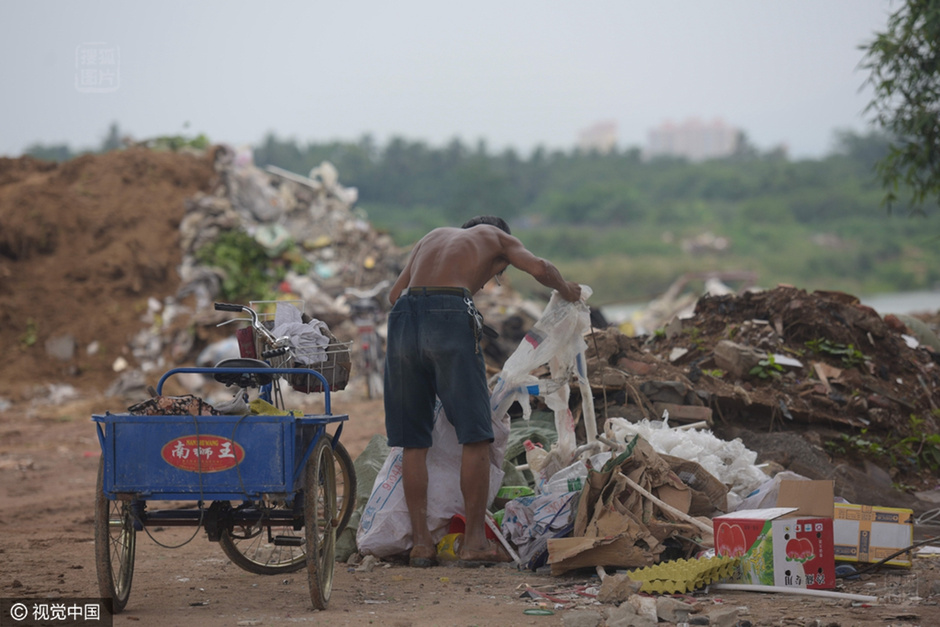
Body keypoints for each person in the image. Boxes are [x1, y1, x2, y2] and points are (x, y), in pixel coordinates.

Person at [383, 215, 582, 567]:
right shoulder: (497, 238)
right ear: (500, 255)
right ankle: (474, 542)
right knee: (474, 434)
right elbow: (539, 267)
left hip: (402, 319)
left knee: (413, 441)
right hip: (449, 313)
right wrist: (568, 291)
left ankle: (420, 544)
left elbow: (393, 294)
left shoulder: (431, 235)